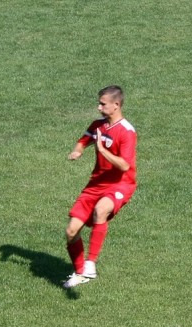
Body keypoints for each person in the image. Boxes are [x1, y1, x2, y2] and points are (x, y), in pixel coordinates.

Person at [63, 85, 137, 288]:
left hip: (120, 184)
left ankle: (91, 263)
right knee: (71, 231)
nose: (99, 107)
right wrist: (77, 151)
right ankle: (80, 273)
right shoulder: (98, 125)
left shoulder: (127, 132)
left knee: (101, 209)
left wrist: (103, 151)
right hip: (95, 184)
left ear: (116, 105)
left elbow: (125, 165)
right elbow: (82, 141)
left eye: (103, 104)